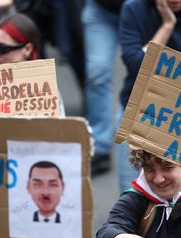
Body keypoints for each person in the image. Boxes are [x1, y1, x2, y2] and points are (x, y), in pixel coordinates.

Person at [117, 0, 181, 192]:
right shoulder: (134, 9)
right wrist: (167, 25)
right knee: (132, 195)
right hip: (140, 113)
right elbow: (137, 66)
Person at [81, 0, 125, 176]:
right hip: (100, 9)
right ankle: (100, 145)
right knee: (96, 74)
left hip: (145, 9)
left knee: (146, 72)